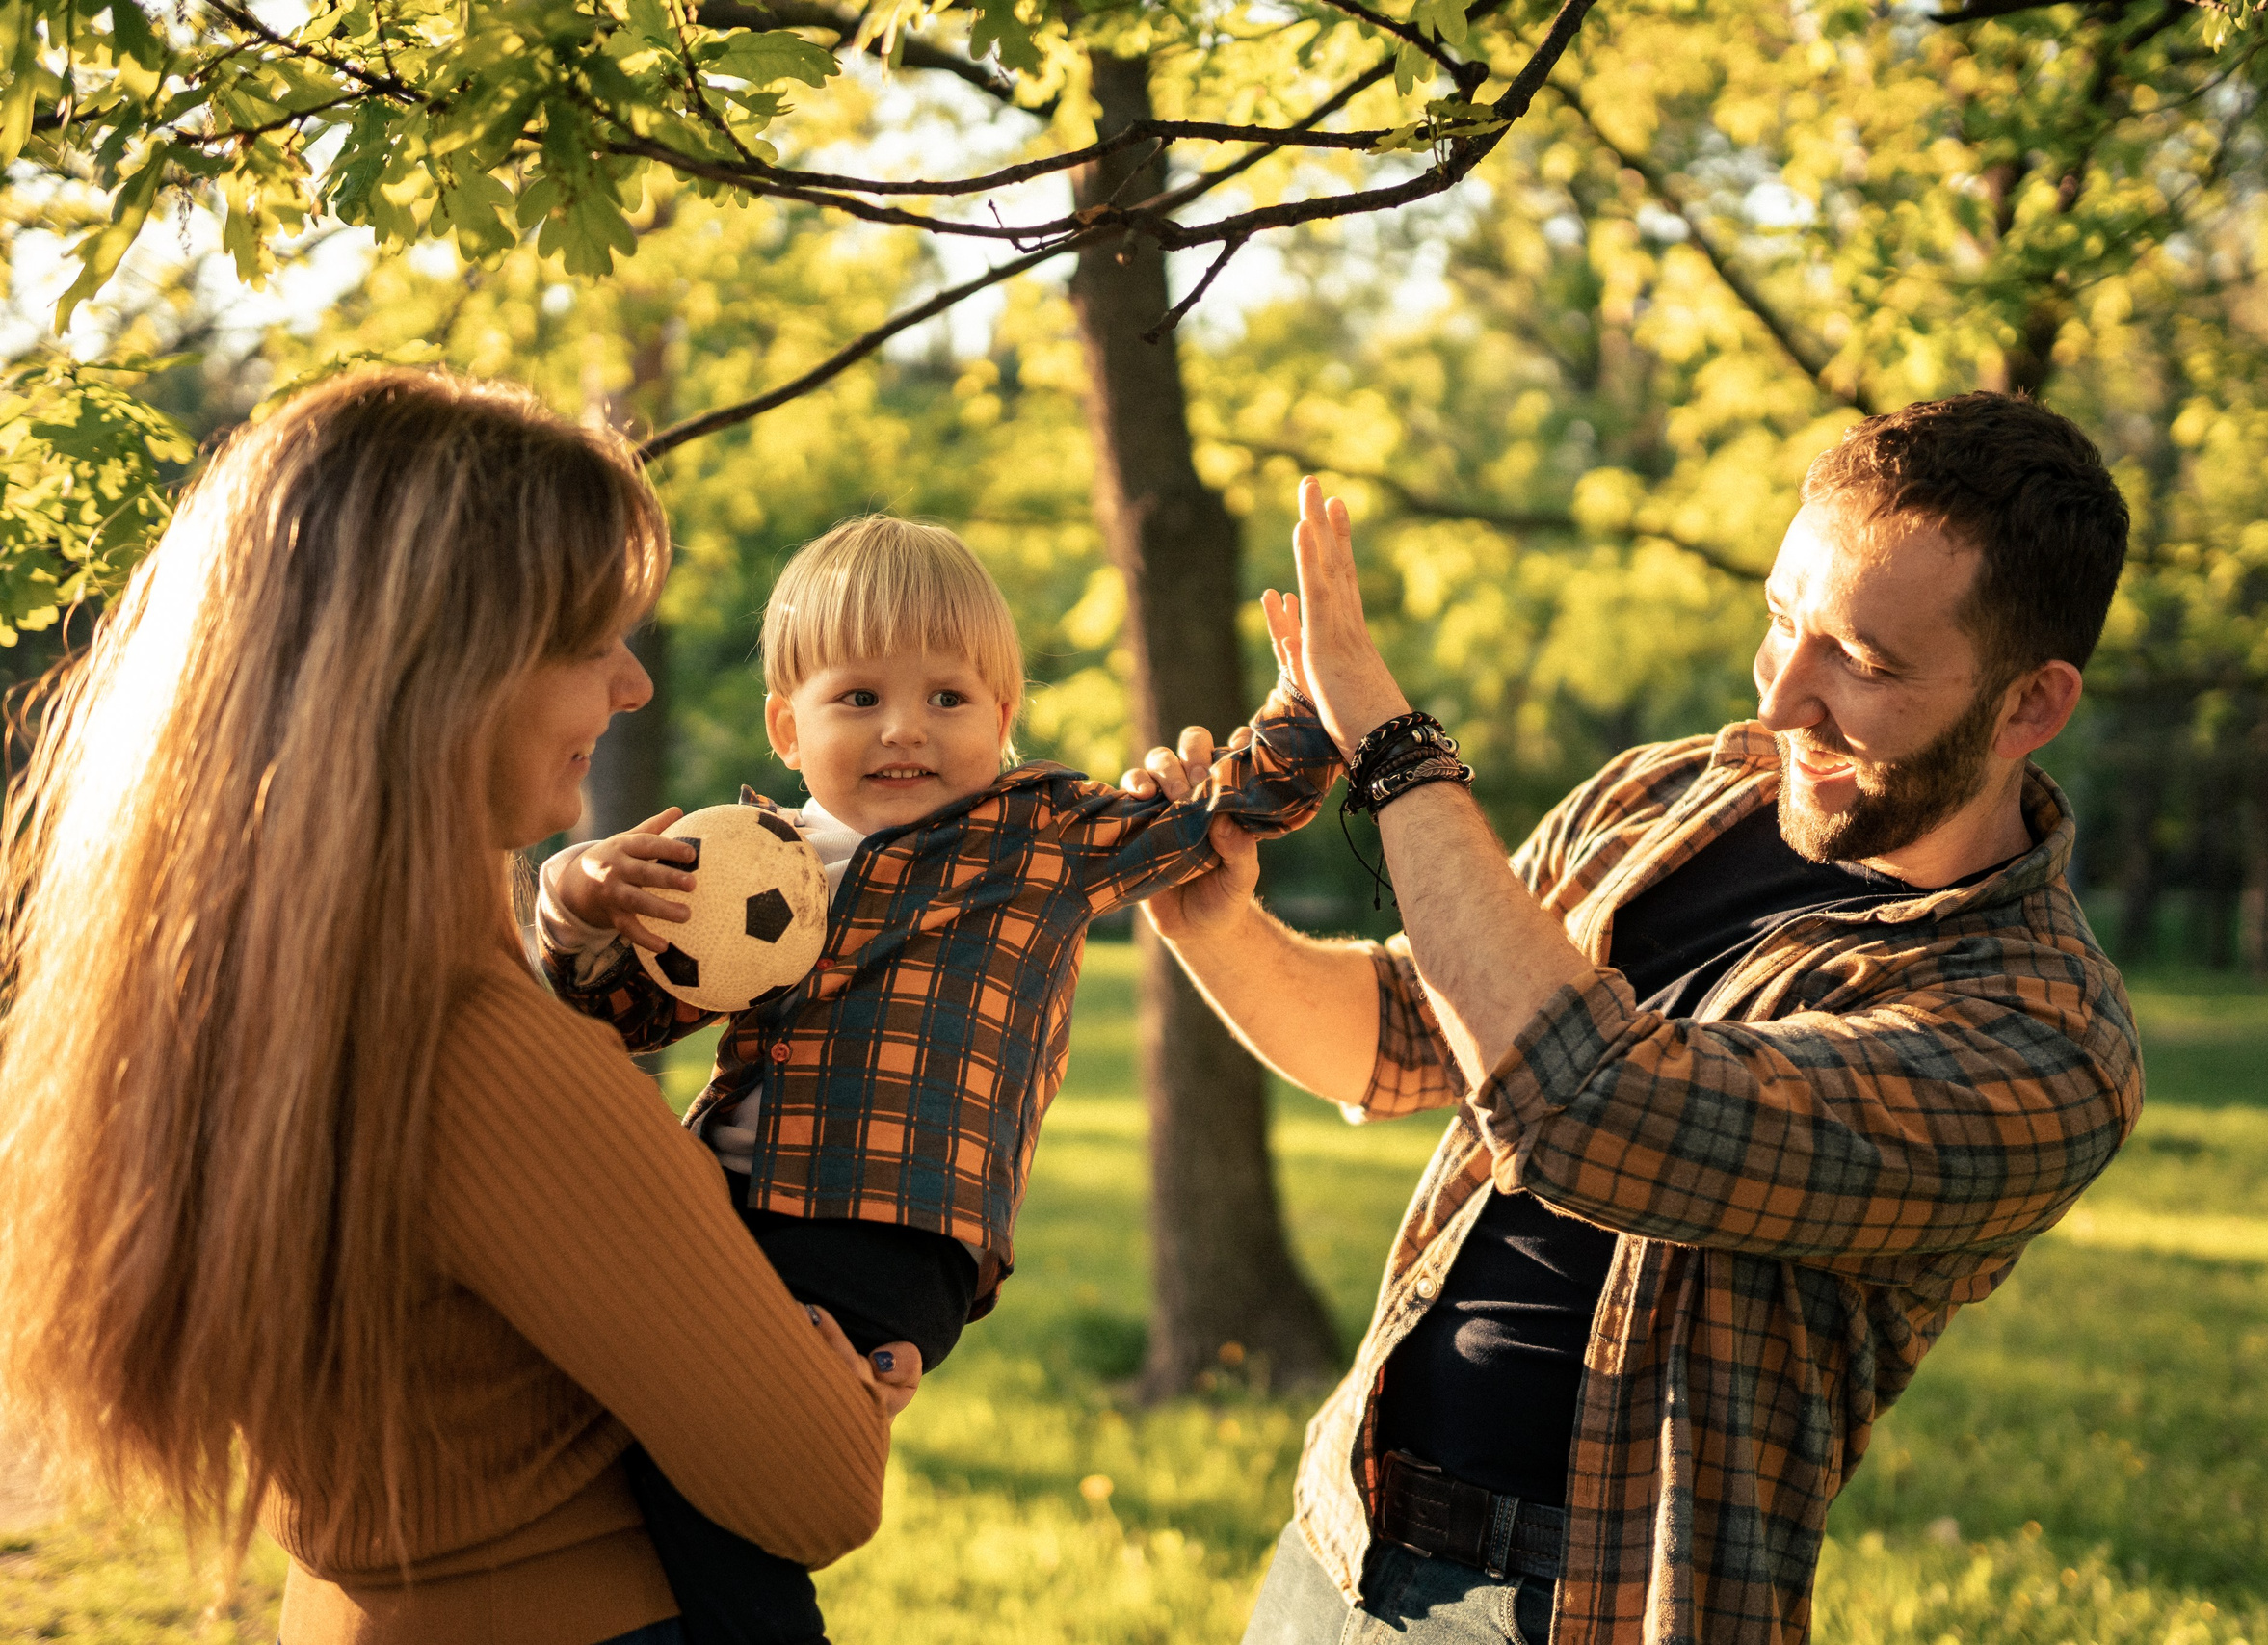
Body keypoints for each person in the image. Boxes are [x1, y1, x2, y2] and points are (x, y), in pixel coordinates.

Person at [1129, 395, 2147, 1643]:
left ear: (2031, 705)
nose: (1786, 699)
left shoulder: (2041, 1038)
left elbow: (1585, 1104)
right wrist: (1217, 925)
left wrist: (1398, 754)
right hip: (1343, 1538)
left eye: (1864, 664)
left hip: (1586, 1608)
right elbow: (1409, 1031)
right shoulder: (1673, 794)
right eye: (1782, 620)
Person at [0, 369, 919, 1645]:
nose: (635, 686)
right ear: (443, 677)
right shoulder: (474, 1053)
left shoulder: (249, 1012)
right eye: (590, 644)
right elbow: (813, 1490)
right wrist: (846, 1383)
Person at [531, 516, 1343, 1643]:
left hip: (886, 1232)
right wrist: (576, 905)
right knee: (639, 1445)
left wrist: (1314, 699)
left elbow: (1232, 807)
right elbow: (619, 1021)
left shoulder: (1040, 835)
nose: (905, 728)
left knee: (715, 1485)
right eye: (860, 697)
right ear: (786, 725)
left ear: (1002, 721)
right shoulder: (745, 861)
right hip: (724, 1209)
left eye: (948, 698)